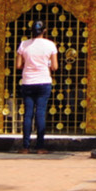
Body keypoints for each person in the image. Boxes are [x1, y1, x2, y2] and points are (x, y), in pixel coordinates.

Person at [15, 21, 57, 154]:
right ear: (44, 30)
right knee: (40, 113)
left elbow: (18, 65)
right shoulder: (50, 45)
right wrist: (46, 64)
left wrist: (28, 65)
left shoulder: (24, 44)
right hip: (43, 81)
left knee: (28, 114)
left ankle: (25, 146)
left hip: (28, 81)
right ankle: (40, 146)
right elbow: (55, 67)